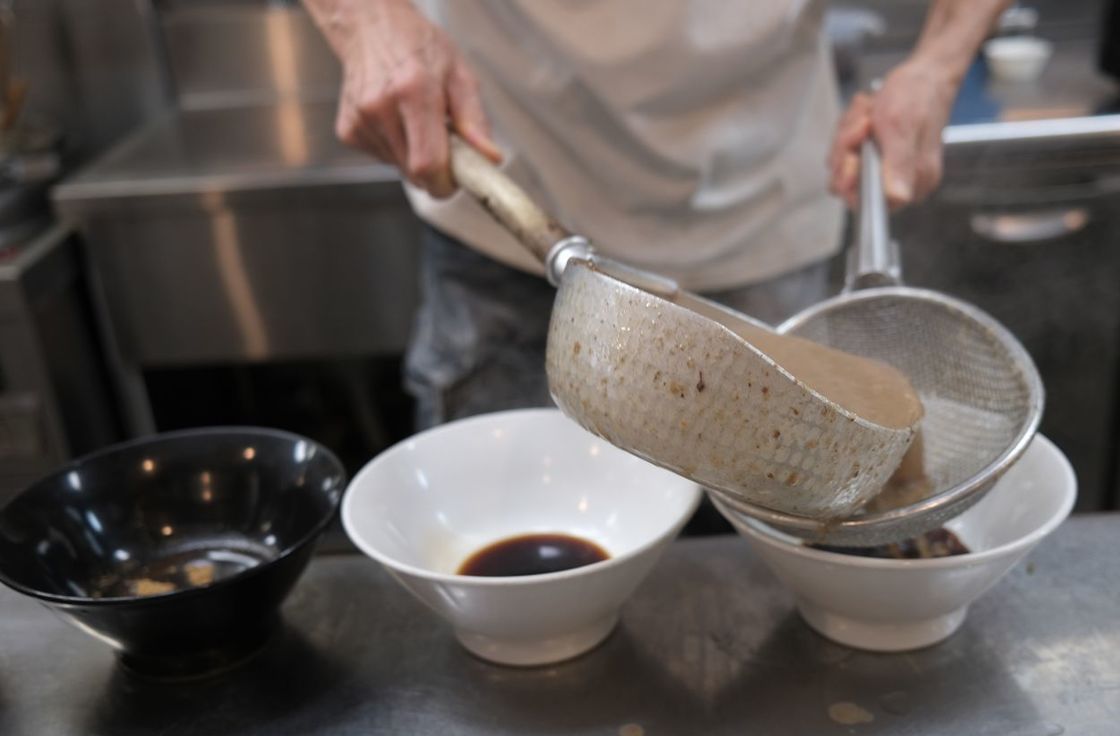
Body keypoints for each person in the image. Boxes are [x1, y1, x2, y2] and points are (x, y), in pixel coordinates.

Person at [304, 0, 1010, 430]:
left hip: (764, 219)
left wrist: (938, 65)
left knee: (754, 585)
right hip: (508, 201)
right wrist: (367, 19)